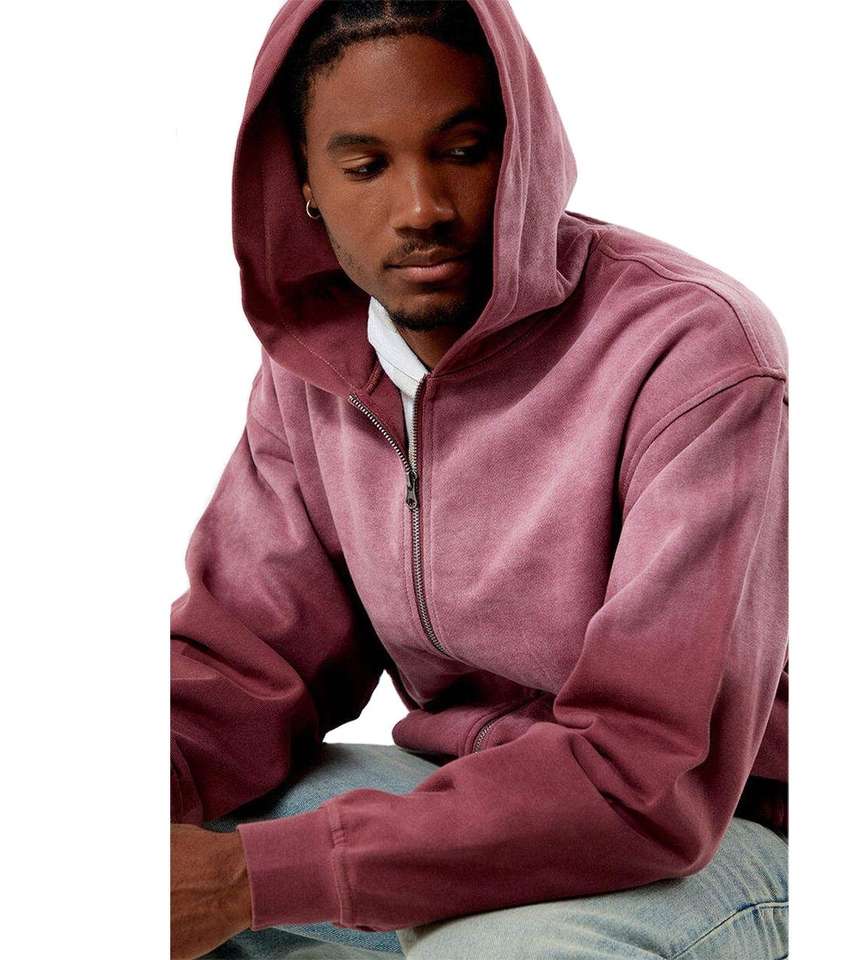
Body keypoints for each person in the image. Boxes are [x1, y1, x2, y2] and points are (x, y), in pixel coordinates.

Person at [170, 1, 789, 958]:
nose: (422, 207)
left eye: (463, 151)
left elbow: (650, 776)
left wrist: (255, 881)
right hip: (464, 802)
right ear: (303, 184)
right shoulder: (317, 371)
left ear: (523, 152)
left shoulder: (692, 351)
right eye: (366, 166)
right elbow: (246, 667)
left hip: (711, 839)